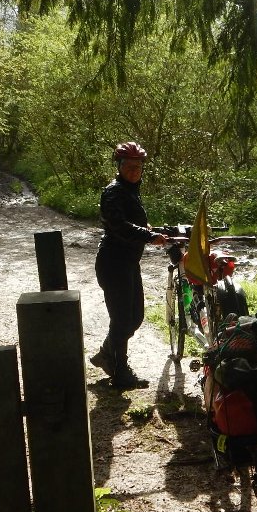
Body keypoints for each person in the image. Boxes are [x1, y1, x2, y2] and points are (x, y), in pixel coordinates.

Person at [90, 142, 167, 389]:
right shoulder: (113, 192)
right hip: (113, 263)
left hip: (129, 263)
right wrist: (148, 236)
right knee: (122, 319)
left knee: (135, 317)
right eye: (129, 166)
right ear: (120, 166)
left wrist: (150, 229)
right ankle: (120, 371)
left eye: (138, 167)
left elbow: (132, 221)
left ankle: (105, 354)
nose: (134, 171)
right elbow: (119, 225)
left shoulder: (131, 190)